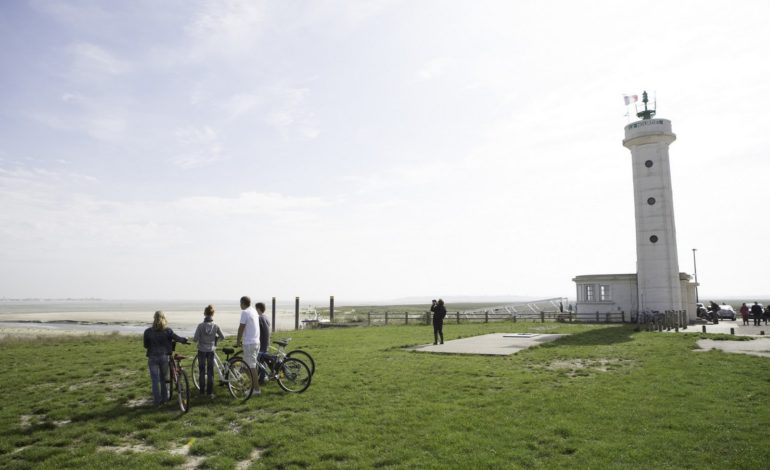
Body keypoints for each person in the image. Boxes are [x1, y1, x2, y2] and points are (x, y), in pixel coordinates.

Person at [143, 310, 188, 406]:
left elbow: (146, 345)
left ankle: (157, 401)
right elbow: (177, 338)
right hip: (164, 357)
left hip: (152, 357)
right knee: (163, 379)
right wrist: (184, 340)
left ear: (154, 318)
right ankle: (165, 399)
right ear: (164, 318)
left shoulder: (147, 332)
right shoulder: (168, 331)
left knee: (155, 380)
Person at [192, 304, 225, 398]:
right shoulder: (216, 326)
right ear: (213, 314)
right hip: (211, 350)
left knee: (202, 371)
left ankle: (201, 392)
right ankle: (210, 393)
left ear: (204, 313)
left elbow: (195, 339)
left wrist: (199, 339)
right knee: (210, 372)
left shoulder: (200, 326)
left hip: (201, 350)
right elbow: (222, 337)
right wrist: (215, 340)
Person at [235, 296, 261, 396]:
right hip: (256, 342)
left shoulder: (245, 312)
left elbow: (241, 328)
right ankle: (253, 386)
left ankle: (257, 390)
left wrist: (238, 341)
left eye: (240, 303)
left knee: (251, 367)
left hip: (250, 343)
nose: (240, 305)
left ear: (243, 303)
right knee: (246, 367)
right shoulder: (253, 311)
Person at [256, 302, 273, 385]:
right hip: (267, 343)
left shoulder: (259, 318)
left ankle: (261, 379)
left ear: (258, 309)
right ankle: (262, 378)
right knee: (263, 362)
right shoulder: (265, 317)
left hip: (261, 344)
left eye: (256, 308)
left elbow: (256, 331)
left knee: (259, 362)